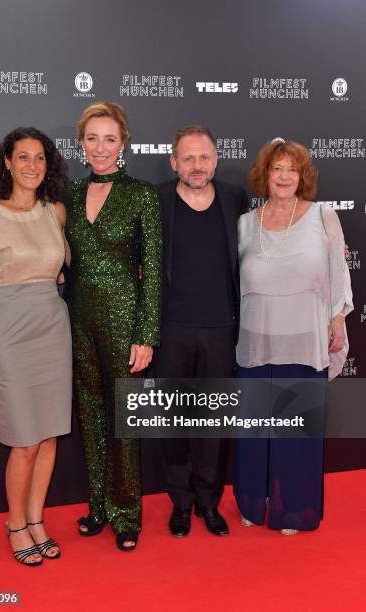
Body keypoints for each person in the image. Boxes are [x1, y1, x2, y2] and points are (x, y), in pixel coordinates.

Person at [0, 127, 72, 566]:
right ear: (6, 162)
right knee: (24, 441)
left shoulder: (55, 212)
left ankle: (37, 520)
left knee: (48, 439)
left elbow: (61, 269)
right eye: (23, 157)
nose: (32, 166)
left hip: (52, 329)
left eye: (39, 158)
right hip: (10, 332)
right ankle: (15, 523)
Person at [233, 138, 353, 534]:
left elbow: (339, 271)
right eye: (276, 169)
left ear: (302, 177)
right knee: (256, 428)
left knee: (296, 430)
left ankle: (294, 508)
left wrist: (337, 317)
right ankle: (254, 499)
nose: (284, 176)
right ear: (264, 175)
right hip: (256, 341)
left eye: (292, 169)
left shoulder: (323, 216)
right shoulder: (246, 224)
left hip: (303, 339)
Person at [64, 101, 162, 552]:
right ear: (81, 144)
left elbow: (154, 270)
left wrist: (146, 334)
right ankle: (98, 507)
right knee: (90, 416)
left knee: (124, 421)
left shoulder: (141, 194)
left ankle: (127, 514)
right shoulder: (67, 194)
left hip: (125, 323)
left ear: (123, 143)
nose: (100, 148)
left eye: (109, 139)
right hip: (78, 320)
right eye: (92, 138)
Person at [152, 125, 248, 537]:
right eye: (187, 158)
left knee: (214, 422)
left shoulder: (234, 199)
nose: (196, 165)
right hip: (170, 328)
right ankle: (180, 502)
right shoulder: (155, 200)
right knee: (173, 420)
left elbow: (265, 247)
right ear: (174, 162)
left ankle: (208, 502)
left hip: (221, 328)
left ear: (216, 160)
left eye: (204, 157)